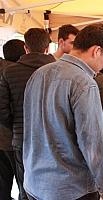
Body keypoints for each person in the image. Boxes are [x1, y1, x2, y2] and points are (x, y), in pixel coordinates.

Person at [23, 23, 103, 200]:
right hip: (71, 188)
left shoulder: (39, 74)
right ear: (96, 51)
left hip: (34, 183)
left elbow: (28, 127)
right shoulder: (84, 83)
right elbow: (92, 143)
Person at [0, 29, 55, 200]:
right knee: (53, 188)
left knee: (27, 189)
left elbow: (2, 110)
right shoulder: (59, 71)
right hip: (55, 139)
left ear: (26, 47)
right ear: (48, 48)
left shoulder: (10, 72)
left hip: (22, 139)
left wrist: (17, 123)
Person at [0, 39, 25, 200]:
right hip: (14, 137)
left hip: (2, 138)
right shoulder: (16, 73)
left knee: (3, 184)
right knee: (23, 183)